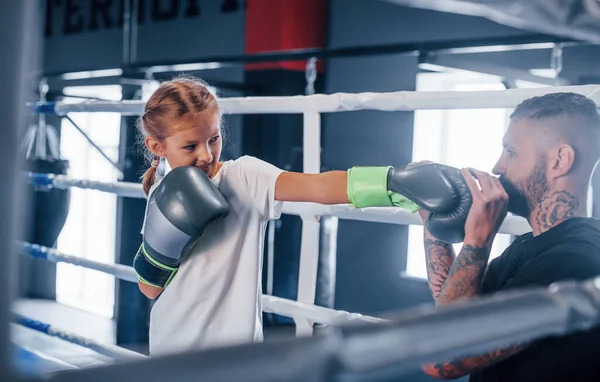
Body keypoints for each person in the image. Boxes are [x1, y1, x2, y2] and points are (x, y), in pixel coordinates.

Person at [132, 76, 470, 356]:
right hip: (172, 350)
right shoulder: (159, 193)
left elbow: (320, 187)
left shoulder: (244, 177)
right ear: (158, 147)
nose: (206, 155)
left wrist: (395, 183)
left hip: (237, 357)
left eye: (214, 138)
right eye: (190, 146)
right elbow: (149, 289)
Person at [419, 92, 600, 382]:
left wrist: (477, 240)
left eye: (511, 152)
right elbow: (452, 308)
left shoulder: (575, 258)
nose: (497, 167)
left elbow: (442, 360)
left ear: (560, 161)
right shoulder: (531, 244)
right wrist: (434, 224)